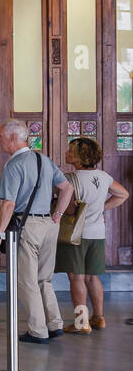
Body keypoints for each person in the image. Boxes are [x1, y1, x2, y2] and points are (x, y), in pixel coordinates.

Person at [0, 119, 72, 344]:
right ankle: (55, 323)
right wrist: (57, 216)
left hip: (26, 226)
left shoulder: (13, 165)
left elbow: (9, 204)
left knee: (27, 280)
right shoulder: (44, 159)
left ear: (12, 138)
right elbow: (66, 187)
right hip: (49, 225)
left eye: (0, 137)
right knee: (44, 278)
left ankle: (38, 330)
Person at [58, 136, 127, 334]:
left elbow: (70, 211)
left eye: (70, 150)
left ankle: (81, 322)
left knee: (76, 277)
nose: (66, 153)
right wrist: (101, 208)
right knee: (92, 277)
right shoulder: (104, 176)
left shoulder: (71, 179)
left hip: (76, 235)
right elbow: (123, 194)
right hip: (98, 233)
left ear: (80, 157)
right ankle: (99, 317)